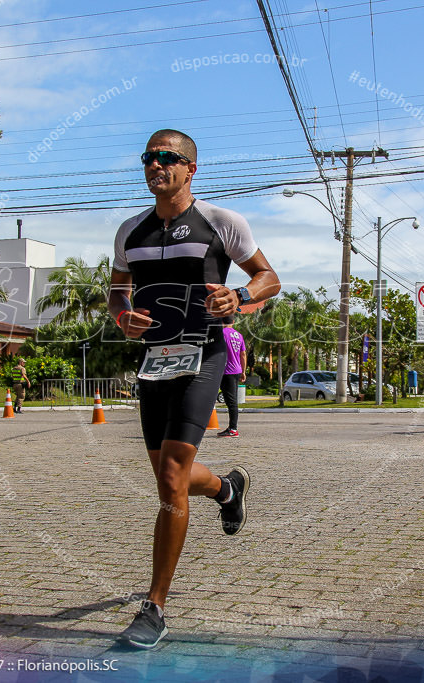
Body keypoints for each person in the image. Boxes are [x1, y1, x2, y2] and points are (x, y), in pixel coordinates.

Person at [108, 129, 280, 648]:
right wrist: (122, 317)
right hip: (154, 362)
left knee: (171, 478)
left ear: (190, 169)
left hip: (204, 354)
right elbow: (117, 291)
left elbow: (269, 277)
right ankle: (228, 488)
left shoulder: (221, 223)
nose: (156, 165)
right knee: (170, 475)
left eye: (168, 158)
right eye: (149, 158)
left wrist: (241, 294)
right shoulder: (129, 231)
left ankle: (154, 607)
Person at [217, 317, 247, 437]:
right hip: (236, 370)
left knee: (231, 402)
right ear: (233, 322)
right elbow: (243, 354)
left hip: (225, 371)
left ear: (221, 321)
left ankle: (233, 429)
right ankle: (232, 428)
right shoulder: (239, 335)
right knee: (232, 401)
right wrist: (243, 371)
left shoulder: (221, 334)